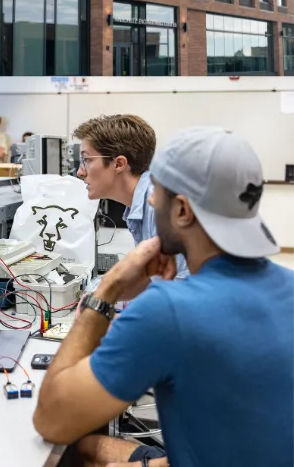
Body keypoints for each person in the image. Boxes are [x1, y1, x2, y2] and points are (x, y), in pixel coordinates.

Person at [32, 126, 293, 467]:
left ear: (182, 210)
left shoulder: (169, 310)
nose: (150, 200)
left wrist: (107, 289)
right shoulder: (287, 284)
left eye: (156, 191)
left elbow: (52, 419)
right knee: (90, 449)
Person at [73, 115, 188, 279]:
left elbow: (179, 294)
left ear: (119, 164)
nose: (80, 172)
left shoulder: (159, 209)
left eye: (86, 160)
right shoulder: (143, 202)